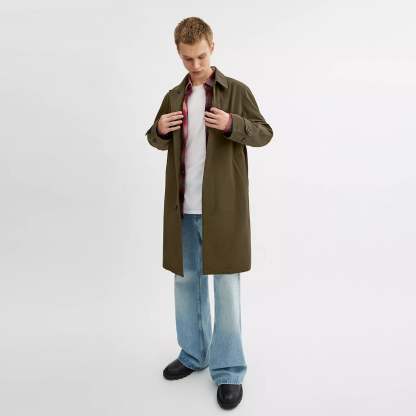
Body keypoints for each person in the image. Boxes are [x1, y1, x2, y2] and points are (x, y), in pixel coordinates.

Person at [145, 16, 274, 410]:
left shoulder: (236, 91)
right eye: (188, 59)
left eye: (201, 56)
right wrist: (159, 130)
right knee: (187, 284)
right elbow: (155, 139)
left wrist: (233, 123)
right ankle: (193, 354)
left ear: (212, 47)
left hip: (223, 209)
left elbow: (264, 132)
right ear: (178, 54)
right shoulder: (173, 96)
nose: (196, 64)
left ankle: (230, 370)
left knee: (226, 289)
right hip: (183, 207)